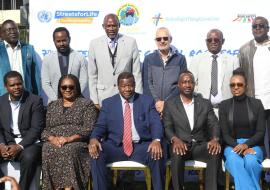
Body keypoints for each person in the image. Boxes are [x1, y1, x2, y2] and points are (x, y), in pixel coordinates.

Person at [89, 72, 164, 190]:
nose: (127, 89)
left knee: (157, 152)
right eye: (123, 86)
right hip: (115, 147)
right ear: (118, 86)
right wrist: (94, 138)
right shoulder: (108, 103)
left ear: (134, 85)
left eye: (130, 85)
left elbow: (155, 122)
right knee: (96, 154)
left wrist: (156, 140)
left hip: (140, 146)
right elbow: (100, 126)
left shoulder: (146, 101)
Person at [163, 70, 221, 190]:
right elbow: (167, 126)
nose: (187, 85)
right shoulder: (170, 104)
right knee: (176, 153)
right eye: (184, 82)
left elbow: (214, 124)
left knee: (215, 151)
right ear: (178, 85)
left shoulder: (205, 103)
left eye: (190, 82)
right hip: (181, 145)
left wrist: (215, 139)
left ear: (194, 85)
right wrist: (174, 139)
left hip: (200, 145)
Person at [41, 74, 97, 190]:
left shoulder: (86, 104)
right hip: (55, 141)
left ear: (76, 88)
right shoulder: (52, 105)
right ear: (60, 89)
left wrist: (69, 139)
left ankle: (70, 187)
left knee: (69, 150)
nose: (67, 90)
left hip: (77, 141)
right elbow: (46, 130)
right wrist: (52, 139)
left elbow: (88, 128)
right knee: (47, 148)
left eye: (71, 87)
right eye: (64, 87)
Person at [219, 68, 265, 190]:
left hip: (254, 144)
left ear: (246, 86)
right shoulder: (224, 105)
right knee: (234, 160)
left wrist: (246, 145)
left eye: (239, 84)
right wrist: (238, 146)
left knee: (251, 162)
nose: (236, 87)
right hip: (231, 144)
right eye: (232, 85)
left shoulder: (257, 104)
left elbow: (261, 132)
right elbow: (225, 134)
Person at [0, 71, 44, 190]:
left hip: (29, 143)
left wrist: (19, 146)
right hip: (7, 142)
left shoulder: (35, 100)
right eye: (12, 85)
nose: (16, 87)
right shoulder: (1, 101)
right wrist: (2, 145)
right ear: (6, 87)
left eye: (19, 84)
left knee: (29, 157)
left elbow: (36, 129)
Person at [88, 13, 142, 109]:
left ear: (119, 26)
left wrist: (138, 98)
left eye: (114, 25)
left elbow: (136, 73)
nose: (111, 28)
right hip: (102, 97)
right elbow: (92, 75)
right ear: (103, 26)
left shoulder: (131, 42)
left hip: (127, 96)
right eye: (108, 26)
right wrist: (94, 100)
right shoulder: (94, 44)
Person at [239, 16, 270, 154]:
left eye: (261, 26)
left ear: (267, 28)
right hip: (253, 103)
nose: (257, 28)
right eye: (254, 26)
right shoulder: (244, 49)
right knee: (255, 143)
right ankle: (259, 176)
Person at [189, 29, 239, 113]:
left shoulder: (233, 60)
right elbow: (191, 83)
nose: (213, 42)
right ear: (206, 42)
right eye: (209, 40)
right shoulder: (196, 60)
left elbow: (238, 85)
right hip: (203, 110)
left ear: (222, 41)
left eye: (216, 39)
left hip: (227, 109)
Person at [142, 27, 187, 115]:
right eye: (159, 39)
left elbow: (181, 84)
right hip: (153, 107)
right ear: (155, 41)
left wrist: (166, 103)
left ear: (171, 39)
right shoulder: (149, 59)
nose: (162, 41)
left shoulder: (180, 59)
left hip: (173, 107)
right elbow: (147, 84)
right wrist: (157, 102)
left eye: (165, 38)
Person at [41, 27, 88, 104]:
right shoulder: (47, 59)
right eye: (58, 41)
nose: (61, 44)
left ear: (69, 39)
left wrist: (73, 97)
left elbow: (84, 81)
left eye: (64, 40)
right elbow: (45, 84)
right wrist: (57, 100)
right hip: (55, 103)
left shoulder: (80, 58)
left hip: (76, 103)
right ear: (54, 42)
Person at [0, 19, 41, 96]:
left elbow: (35, 75)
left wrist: (37, 96)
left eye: (15, 29)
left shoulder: (29, 48)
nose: (12, 32)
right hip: (3, 96)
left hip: (25, 95)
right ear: (2, 34)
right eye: (9, 30)